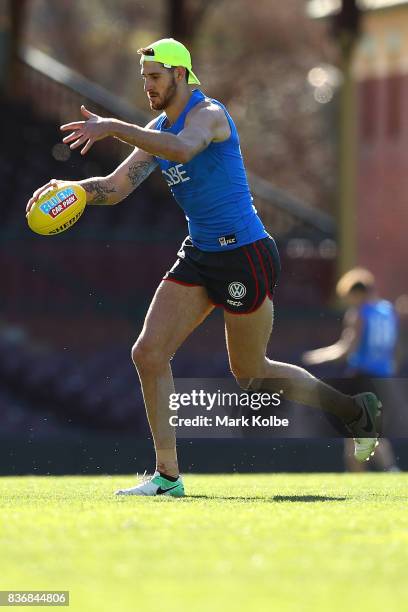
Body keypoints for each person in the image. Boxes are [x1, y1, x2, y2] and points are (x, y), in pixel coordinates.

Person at [27, 38, 382, 497]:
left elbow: (182, 149)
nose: (148, 86)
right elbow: (116, 187)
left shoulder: (210, 115)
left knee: (252, 373)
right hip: (200, 253)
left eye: (155, 77)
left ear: (180, 74)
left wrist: (114, 126)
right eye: (144, 79)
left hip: (245, 254)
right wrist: (73, 189)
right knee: (148, 353)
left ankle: (354, 411)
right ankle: (168, 477)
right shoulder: (157, 128)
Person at [303, 267, 399, 472]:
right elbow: (396, 348)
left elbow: (346, 349)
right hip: (385, 376)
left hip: (363, 376)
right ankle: (355, 477)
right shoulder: (387, 311)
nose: (349, 302)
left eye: (349, 297)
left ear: (357, 292)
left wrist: (315, 357)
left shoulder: (360, 313)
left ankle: (390, 470)